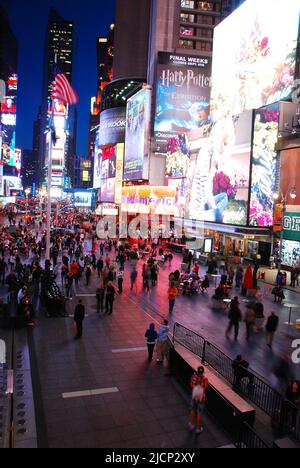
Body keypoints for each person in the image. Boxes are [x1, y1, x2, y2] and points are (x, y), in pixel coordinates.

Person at [189, 366, 209, 435]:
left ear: (197, 371)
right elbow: (206, 388)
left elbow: (191, 385)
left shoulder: (193, 376)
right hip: (201, 399)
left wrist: (195, 386)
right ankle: (198, 428)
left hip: (194, 397)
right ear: (203, 372)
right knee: (199, 413)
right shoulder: (205, 379)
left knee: (192, 410)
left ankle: (191, 425)